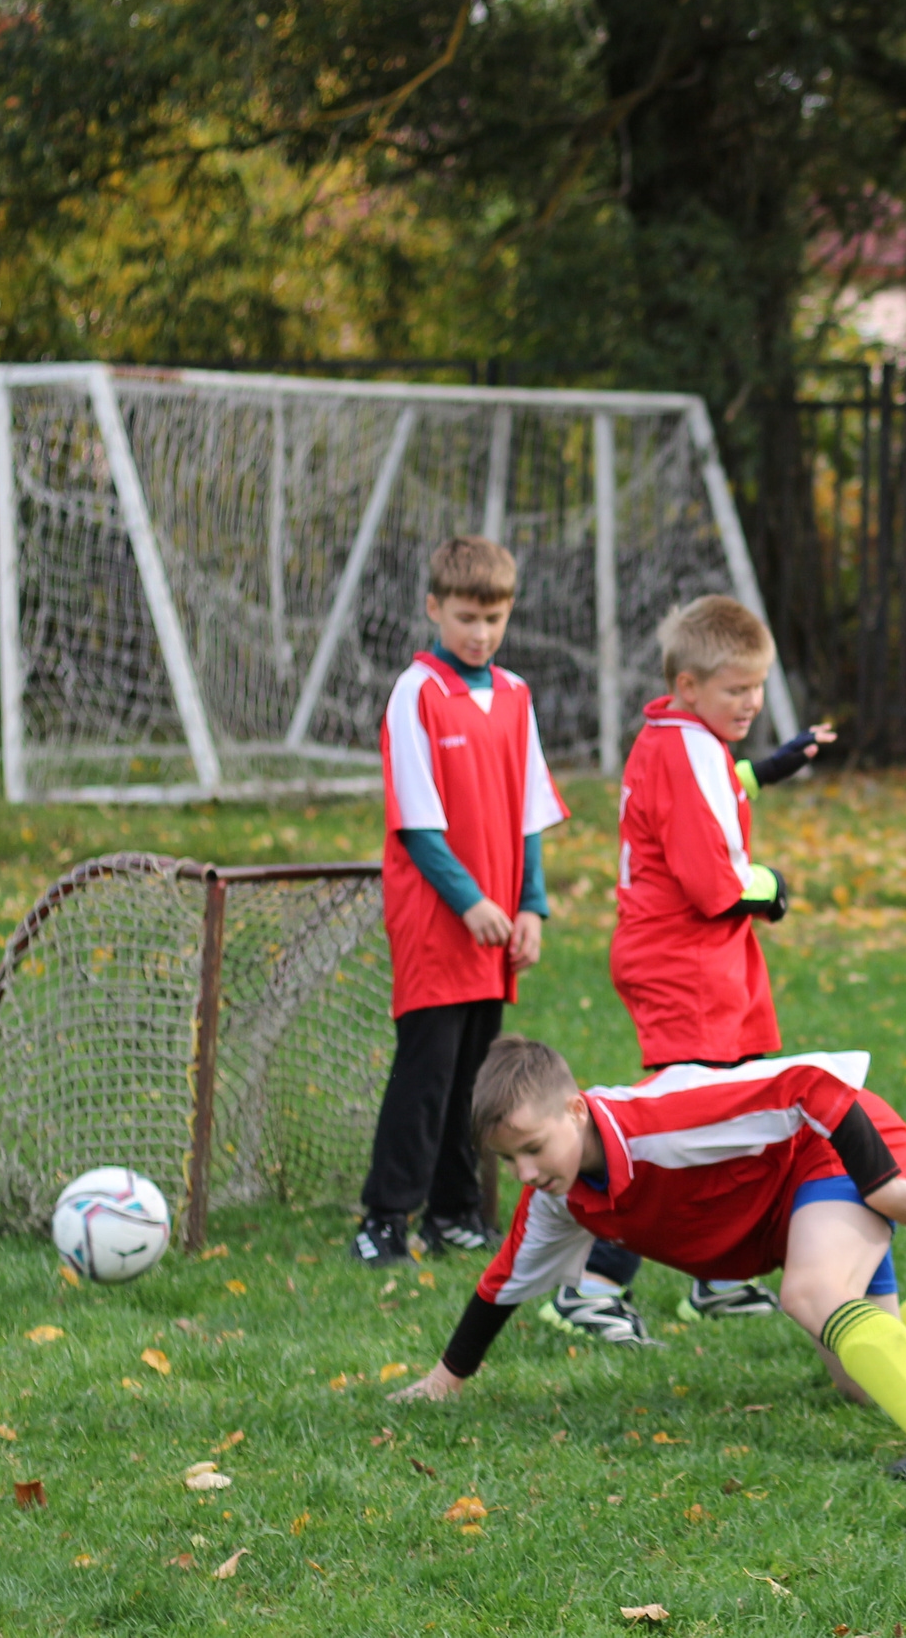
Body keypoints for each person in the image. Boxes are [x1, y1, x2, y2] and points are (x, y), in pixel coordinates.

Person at [390, 1035, 906, 1479]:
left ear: (575, 1110)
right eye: (508, 1159)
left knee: (809, 1294)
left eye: (533, 1148)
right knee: (871, 1380)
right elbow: (501, 1286)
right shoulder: (559, 1197)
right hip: (790, 1204)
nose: (523, 1172)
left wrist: (883, 1186)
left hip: (836, 1145)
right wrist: (446, 1381)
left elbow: (811, 1089)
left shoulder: (663, 1119)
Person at [543, 595, 834, 1343]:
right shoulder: (687, 748)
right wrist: (772, 890)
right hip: (683, 962)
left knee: (735, 1112)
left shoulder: (678, 737)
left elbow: (718, 789)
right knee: (678, 1124)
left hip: (710, 962)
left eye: (757, 686)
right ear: (689, 687)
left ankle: (721, 1276)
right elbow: (714, 885)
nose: (752, 702)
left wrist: (773, 766)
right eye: (736, 690)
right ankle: (592, 1284)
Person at [352, 537, 567, 1267]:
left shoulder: (515, 695)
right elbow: (414, 821)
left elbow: (529, 812)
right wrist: (471, 899)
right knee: (426, 1073)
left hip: (495, 925)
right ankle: (385, 1217)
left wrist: (529, 905)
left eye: (495, 618)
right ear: (434, 608)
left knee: (477, 1080)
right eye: (468, 617)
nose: (481, 633)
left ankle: (456, 1211)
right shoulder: (418, 692)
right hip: (438, 922)